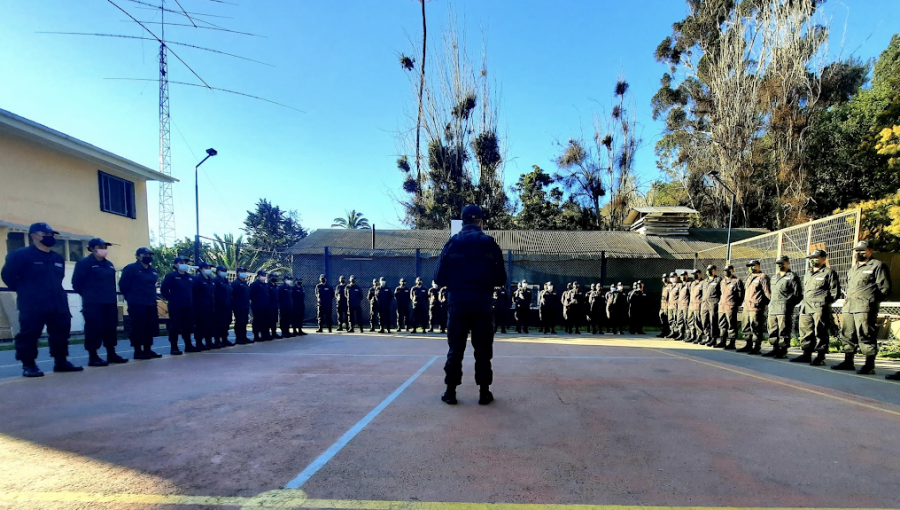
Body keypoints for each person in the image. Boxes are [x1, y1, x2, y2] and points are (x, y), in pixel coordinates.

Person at [435, 204, 507, 406]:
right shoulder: (489, 243)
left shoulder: (452, 243)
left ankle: (450, 392)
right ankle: (484, 392)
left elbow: (439, 277)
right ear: (480, 222)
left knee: (455, 348)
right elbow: (501, 278)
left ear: (462, 222)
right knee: (483, 348)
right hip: (482, 303)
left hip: (457, 303)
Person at [1, 222, 83, 377]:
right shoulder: (20, 255)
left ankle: (61, 362)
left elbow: (59, 278)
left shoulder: (57, 258)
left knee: (61, 333)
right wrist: (26, 291)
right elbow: (8, 276)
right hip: (33, 303)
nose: (50, 237)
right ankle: (29, 365)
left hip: (57, 303)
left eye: (51, 234)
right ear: (34, 236)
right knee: (29, 334)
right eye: (45, 235)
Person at [835, 241, 892, 375]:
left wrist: (871, 302)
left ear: (870, 251)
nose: (859, 253)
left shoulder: (877, 266)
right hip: (849, 306)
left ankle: (869, 364)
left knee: (865, 333)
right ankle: (848, 361)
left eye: (862, 250)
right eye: (857, 250)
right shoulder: (853, 269)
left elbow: (885, 288)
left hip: (865, 307)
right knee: (847, 333)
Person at [72, 238, 127, 366]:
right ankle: (93, 356)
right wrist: (89, 295)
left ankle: (111, 353)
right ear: (92, 248)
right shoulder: (84, 263)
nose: (103, 249)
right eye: (100, 247)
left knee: (110, 328)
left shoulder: (109, 264)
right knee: (93, 329)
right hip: (93, 303)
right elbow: (77, 283)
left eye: (105, 247)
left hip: (109, 302)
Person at [792, 250, 840, 366]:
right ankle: (806, 354)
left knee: (820, 331)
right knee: (805, 330)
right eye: (811, 258)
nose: (813, 260)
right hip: (806, 306)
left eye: (816, 258)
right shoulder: (808, 274)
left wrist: (823, 303)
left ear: (823, 259)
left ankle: (820, 356)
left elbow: (835, 293)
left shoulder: (829, 273)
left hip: (820, 307)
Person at [119, 247, 161, 360]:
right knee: (138, 327)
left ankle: (148, 349)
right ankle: (138, 351)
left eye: (149, 255)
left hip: (150, 302)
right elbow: (123, 285)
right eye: (144, 255)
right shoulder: (131, 268)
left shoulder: (152, 269)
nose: (148, 257)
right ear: (137, 256)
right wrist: (131, 298)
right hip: (137, 303)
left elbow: (152, 285)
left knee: (150, 327)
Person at [765, 256, 801, 358]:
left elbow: (797, 295)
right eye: (778, 263)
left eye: (782, 262)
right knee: (772, 329)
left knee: (783, 330)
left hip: (784, 309)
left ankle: (783, 350)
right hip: (773, 308)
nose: (780, 265)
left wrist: (788, 304)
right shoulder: (773, 277)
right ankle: (774, 348)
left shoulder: (792, 277)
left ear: (788, 263)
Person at [161, 257, 196, 353]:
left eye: (185, 262)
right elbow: (164, 289)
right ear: (176, 265)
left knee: (188, 326)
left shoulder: (189, 277)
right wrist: (171, 299)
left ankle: (188, 345)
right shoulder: (171, 276)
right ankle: (174, 347)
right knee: (175, 326)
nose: (184, 264)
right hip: (176, 306)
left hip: (188, 305)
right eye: (181, 262)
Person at [738, 260, 771, 354]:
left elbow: (767, 293)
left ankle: (757, 346)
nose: (751, 267)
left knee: (756, 327)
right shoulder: (749, 277)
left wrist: (766, 304)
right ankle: (748, 344)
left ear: (759, 266)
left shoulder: (763, 277)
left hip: (756, 307)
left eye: (753, 265)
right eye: (749, 266)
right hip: (747, 306)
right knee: (746, 326)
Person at [717, 265, 744, 349]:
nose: (726, 272)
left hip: (731, 306)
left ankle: (732, 343)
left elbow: (741, 294)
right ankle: (722, 341)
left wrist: (736, 304)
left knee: (731, 325)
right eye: (725, 270)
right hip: (722, 306)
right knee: (722, 324)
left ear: (732, 271)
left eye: (728, 270)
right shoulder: (722, 282)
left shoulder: (736, 281)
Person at [193, 261, 217, 349]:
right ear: (201, 269)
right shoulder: (197, 279)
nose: (208, 270)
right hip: (200, 307)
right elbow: (194, 293)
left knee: (209, 324)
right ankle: (199, 342)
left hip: (210, 306)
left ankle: (209, 341)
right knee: (200, 325)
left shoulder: (210, 280)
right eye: (206, 268)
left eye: (209, 268)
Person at [213, 265, 235, 346]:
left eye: (225, 270)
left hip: (227, 305)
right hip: (219, 306)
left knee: (226, 323)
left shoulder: (226, 281)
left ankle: (224, 339)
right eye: (223, 270)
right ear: (218, 271)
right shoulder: (215, 280)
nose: (225, 272)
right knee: (219, 323)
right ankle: (217, 340)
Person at [701, 266, 721, 347]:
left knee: (713, 321)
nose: (708, 271)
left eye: (710, 270)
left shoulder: (718, 280)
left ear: (714, 271)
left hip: (713, 303)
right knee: (704, 320)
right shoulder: (705, 281)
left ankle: (713, 338)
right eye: (708, 270)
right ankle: (708, 336)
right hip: (704, 303)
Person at [249, 270, 271, 341]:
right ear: (258, 276)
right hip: (257, 306)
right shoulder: (254, 284)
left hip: (266, 306)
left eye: (265, 275)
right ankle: (256, 335)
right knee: (257, 321)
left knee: (266, 321)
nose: (264, 276)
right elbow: (251, 295)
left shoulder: (266, 285)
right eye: (262, 275)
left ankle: (265, 334)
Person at [232, 267, 251, 344]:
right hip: (238, 306)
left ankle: (244, 336)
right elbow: (233, 295)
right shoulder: (235, 283)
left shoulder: (245, 283)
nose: (244, 273)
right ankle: (239, 338)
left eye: (244, 271)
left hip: (245, 305)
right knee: (239, 322)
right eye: (242, 271)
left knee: (244, 322)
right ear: (237, 273)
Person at [686, 270, 704, 343]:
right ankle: (692, 335)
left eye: (695, 274)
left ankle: (699, 336)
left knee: (697, 321)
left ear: (699, 274)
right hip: (691, 305)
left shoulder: (703, 283)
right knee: (690, 321)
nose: (694, 275)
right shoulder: (692, 283)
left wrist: (700, 302)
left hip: (698, 305)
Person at [674, 271, 691, 341]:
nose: (683, 276)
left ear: (687, 276)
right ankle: (681, 334)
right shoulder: (679, 285)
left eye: (684, 275)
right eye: (681, 275)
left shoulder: (689, 284)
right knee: (679, 320)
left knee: (687, 321)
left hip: (686, 305)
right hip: (680, 306)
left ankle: (688, 335)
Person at [666, 272, 681, 338]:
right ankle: (672, 331)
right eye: (671, 277)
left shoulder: (679, 285)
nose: (672, 278)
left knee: (676, 319)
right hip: (670, 305)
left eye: (673, 277)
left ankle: (677, 332)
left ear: (677, 277)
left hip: (676, 305)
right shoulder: (669, 285)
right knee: (670, 319)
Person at [267, 273, 281, 339]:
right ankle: (267, 333)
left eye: (276, 276)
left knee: (275, 320)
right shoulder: (268, 286)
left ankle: (274, 333)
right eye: (274, 277)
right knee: (269, 319)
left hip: (275, 305)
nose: (275, 278)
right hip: (269, 305)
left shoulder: (276, 286)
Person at [658, 274, 671, 338]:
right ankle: (663, 332)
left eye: (666, 277)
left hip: (667, 306)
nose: (664, 279)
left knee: (667, 320)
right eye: (663, 278)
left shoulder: (670, 285)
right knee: (662, 319)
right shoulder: (664, 286)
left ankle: (667, 332)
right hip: (662, 306)